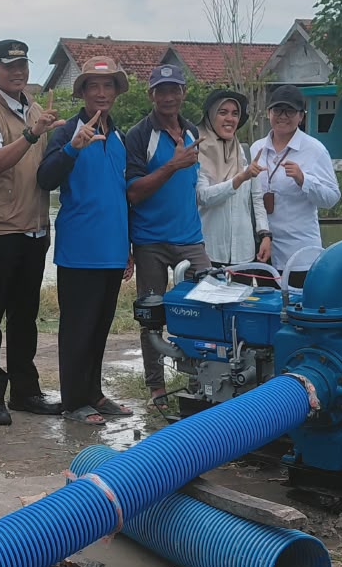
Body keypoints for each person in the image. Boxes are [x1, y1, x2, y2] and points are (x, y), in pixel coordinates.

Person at [0, 39, 62, 425]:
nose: (18, 71)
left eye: (23, 64)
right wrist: (30, 134)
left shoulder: (36, 109)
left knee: (25, 315)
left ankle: (26, 391)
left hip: (36, 228)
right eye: (9, 66)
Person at [37, 56, 132, 426]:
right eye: (93, 86)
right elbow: (45, 179)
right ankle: (73, 400)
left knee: (100, 326)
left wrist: (129, 249)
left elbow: (123, 194)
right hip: (80, 250)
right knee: (77, 328)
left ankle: (93, 392)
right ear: (83, 92)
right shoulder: (67, 132)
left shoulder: (121, 135)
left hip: (113, 249)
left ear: (116, 92)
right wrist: (74, 147)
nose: (101, 93)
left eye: (108, 86)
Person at [124, 64, 212, 416]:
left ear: (184, 93)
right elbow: (132, 193)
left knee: (205, 310)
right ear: (151, 95)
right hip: (151, 241)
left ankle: (199, 381)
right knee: (151, 316)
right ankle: (156, 386)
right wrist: (171, 166)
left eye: (174, 89)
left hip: (191, 238)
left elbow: (193, 185)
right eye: (161, 90)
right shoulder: (139, 135)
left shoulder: (192, 132)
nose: (169, 97)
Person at [250, 85, 340, 286]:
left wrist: (303, 180)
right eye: (277, 110)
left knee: (299, 312)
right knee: (268, 311)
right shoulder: (257, 149)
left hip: (299, 253)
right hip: (263, 251)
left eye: (290, 111)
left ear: (301, 116)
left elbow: (332, 198)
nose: (283, 116)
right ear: (268, 113)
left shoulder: (315, 150)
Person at [195, 88, 271, 268]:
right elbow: (203, 197)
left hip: (244, 253)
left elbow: (256, 199)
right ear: (210, 116)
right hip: (210, 251)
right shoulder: (198, 152)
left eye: (235, 113)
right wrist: (239, 179)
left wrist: (265, 234)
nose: (230, 119)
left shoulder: (242, 153)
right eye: (223, 112)